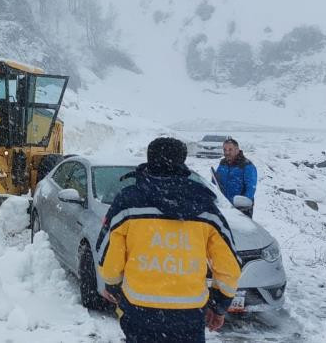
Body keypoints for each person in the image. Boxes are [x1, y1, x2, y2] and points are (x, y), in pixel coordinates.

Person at [97, 137, 241, 343]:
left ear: (149, 159)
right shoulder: (205, 205)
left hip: (140, 311)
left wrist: (113, 287)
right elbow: (229, 266)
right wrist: (219, 306)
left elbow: (109, 256)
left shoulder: (128, 201)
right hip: (189, 315)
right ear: (182, 162)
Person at [216, 138, 258, 217]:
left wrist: (241, 204)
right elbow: (215, 182)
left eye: (230, 149)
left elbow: (250, 189)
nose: (227, 152)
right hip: (224, 207)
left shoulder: (247, 166)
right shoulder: (223, 163)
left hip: (241, 210)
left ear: (237, 150)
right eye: (225, 150)